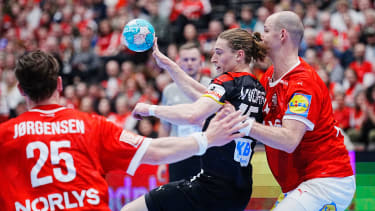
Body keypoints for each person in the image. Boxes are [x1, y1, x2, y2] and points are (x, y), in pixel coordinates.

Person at [0, 50, 248, 210]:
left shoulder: (5, 135)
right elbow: (156, 151)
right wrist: (207, 138)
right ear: (60, 84)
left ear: (20, 90)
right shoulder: (92, 125)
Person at [125, 28, 267, 211]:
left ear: (239, 55)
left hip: (211, 187)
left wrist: (151, 109)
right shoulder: (256, 87)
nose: (213, 59)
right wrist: (170, 65)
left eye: (219, 53)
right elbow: (200, 94)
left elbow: (194, 115)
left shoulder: (227, 81)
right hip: (239, 187)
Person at [243, 11, 355, 210]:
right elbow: (238, 102)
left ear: (282, 35)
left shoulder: (303, 84)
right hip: (300, 183)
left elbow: (289, 140)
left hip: (327, 180)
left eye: (266, 30)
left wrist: (244, 125)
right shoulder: (269, 76)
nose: (260, 36)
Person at [158, 42, 211, 182]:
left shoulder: (212, 86)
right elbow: (165, 127)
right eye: (185, 60)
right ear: (178, 62)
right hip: (178, 153)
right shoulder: (169, 90)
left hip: (206, 153)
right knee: (178, 200)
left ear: (201, 62)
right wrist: (162, 161)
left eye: (193, 59)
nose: (189, 63)